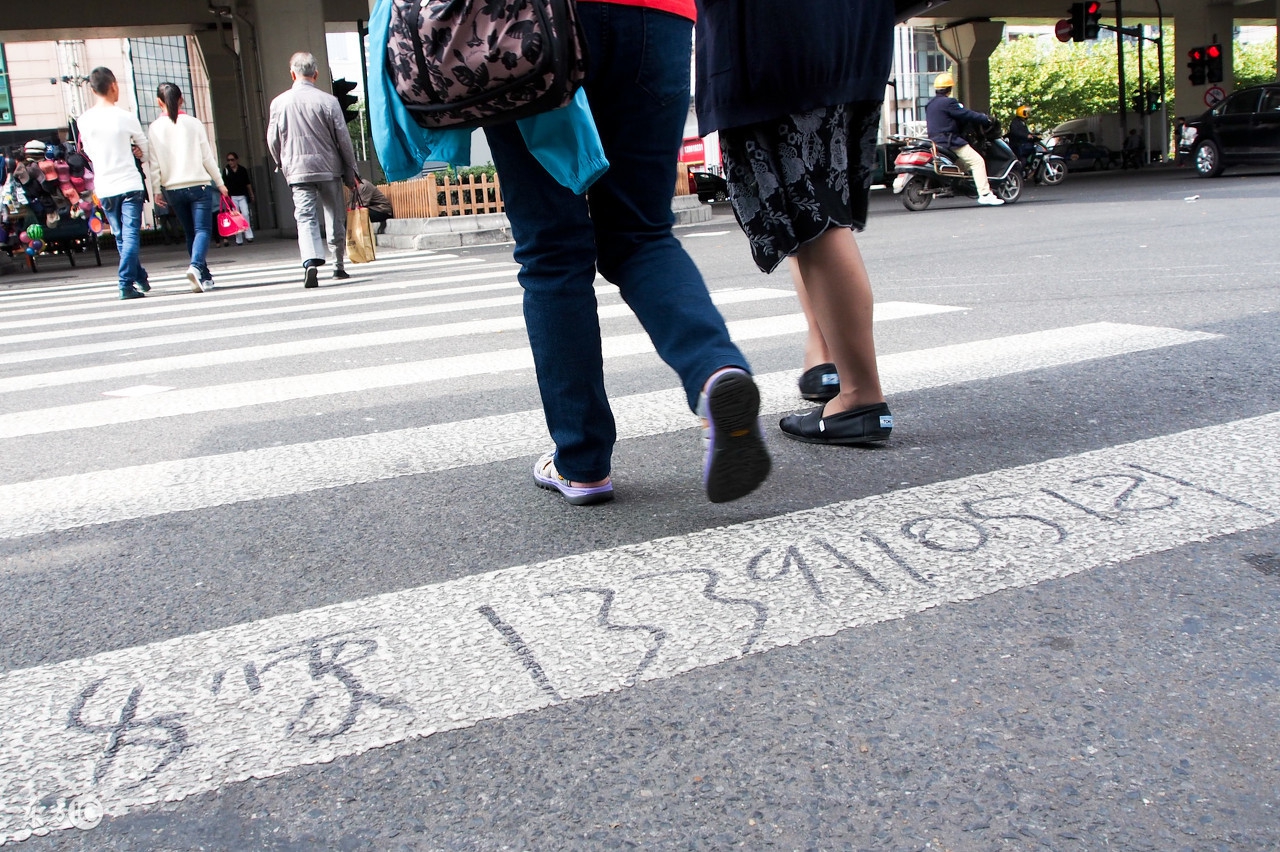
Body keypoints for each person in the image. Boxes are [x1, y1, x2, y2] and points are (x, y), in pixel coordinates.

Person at [482, 0, 771, 506]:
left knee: (553, 251)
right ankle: (714, 373)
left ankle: (582, 462)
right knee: (641, 232)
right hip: (657, 18)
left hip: (529, 21)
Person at [695, 0, 894, 447]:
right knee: (811, 211)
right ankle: (826, 357)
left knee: (811, 215)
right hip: (851, 31)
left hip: (774, 39)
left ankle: (861, 397)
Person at [267, 52, 359, 288]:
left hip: (297, 170)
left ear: (292, 74)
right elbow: (344, 140)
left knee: (305, 216)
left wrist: (281, 162)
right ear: (315, 74)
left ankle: (310, 261)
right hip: (328, 168)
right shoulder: (329, 102)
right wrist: (351, 171)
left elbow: (272, 139)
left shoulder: (279, 103)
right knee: (333, 214)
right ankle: (338, 266)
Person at [77, 67, 151, 300]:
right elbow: (145, 151)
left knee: (121, 237)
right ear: (114, 86)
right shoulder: (126, 117)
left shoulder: (84, 120)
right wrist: (138, 152)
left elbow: (88, 151)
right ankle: (125, 283)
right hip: (129, 184)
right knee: (129, 236)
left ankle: (139, 278)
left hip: (106, 186)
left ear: (92, 89)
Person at [147, 82, 228, 293]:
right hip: (198, 186)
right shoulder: (193, 123)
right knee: (202, 230)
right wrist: (220, 183)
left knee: (190, 232)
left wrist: (156, 190)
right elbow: (207, 158)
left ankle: (205, 276)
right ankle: (195, 266)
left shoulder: (154, 128)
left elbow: (154, 164)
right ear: (181, 99)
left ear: (158, 102)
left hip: (172, 189)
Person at [926, 72, 1004, 206]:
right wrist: (984, 119)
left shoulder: (930, 104)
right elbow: (966, 115)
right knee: (977, 161)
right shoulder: (949, 102)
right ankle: (985, 194)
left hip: (935, 142)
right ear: (950, 89)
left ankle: (957, 186)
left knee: (962, 165)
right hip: (950, 141)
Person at [220, 151, 255, 246]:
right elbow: (224, 184)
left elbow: (247, 183)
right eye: (228, 160)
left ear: (236, 160)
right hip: (232, 197)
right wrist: (225, 196)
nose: (230, 162)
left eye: (232, 160)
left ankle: (248, 234)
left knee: (246, 214)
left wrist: (251, 194)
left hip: (242, 195)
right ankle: (238, 237)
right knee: (235, 217)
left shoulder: (242, 170)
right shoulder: (226, 170)